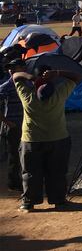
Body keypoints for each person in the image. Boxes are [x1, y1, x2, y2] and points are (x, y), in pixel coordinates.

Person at [13, 67, 81, 212]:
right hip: (58, 138)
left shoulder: (27, 96)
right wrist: (58, 73)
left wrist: (31, 77)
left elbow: (15, 76)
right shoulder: (60, 94)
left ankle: (28, 203)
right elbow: (76, 77)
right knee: (57, 171)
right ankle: (59, 201)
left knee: (30, 172)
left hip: (31, 140)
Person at [0, 58, 26, 192]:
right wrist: (8, 123)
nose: (11, 70)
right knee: (14, 155)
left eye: (14, 67)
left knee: (26, 154)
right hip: (13, 126)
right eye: (10, 68)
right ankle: (14, 182)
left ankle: (24, 180)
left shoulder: (28, 83)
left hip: (26, 125)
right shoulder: (6, 86)